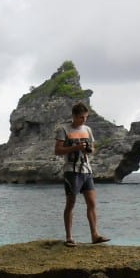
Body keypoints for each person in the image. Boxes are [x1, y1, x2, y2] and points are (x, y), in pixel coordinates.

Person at [54, 102, 110, 247]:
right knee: (71, 203)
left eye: (85, 117)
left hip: (87, 170)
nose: (83, 120)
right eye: (80, 117)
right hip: (71, 171)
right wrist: (76, 147)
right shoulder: (63, 129)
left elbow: (92, 147)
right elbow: (58, 151)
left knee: (92, 203)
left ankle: (95, 235)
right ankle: (69, 237)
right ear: (73, 116)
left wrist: (89, 149)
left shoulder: (88, 129)